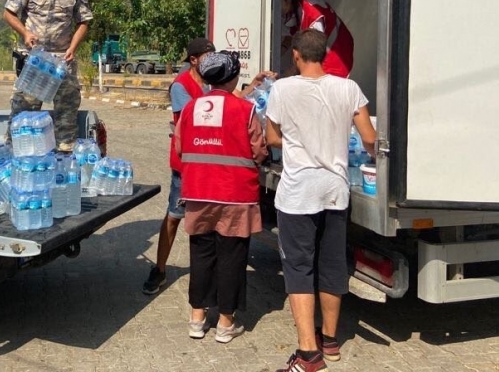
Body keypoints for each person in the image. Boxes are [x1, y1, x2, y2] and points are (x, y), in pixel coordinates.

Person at [265, 29, 376, 372]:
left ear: (296, 55)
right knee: (331, 265)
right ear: (324, 55)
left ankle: (308, 354)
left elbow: (271, 136)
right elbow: (370, 138)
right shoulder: (348, 88)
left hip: (298, 192)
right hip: (335, 190)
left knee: (299, 268)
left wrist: (301, 143)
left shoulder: (283, 88)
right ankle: (330, 341)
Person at [175, 50, 268, 343]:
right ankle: (226, 324)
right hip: (235, 195)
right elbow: (259, 151)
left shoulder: (191, 108)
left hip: (199, 191)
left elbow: (179, 146)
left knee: (201, 253)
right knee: (231, 257)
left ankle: (197, 319)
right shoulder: (245, 110)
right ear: (233, 78)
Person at [3, 0, 93, 153]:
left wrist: (73, 47)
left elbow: (84, 21)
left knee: (66, 113)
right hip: (36, 59)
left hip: (63, 59)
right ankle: (18, 156)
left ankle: (64, 156)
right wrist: (25, 32)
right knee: (25, 113)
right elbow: (9, 13)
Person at [141, 37, 215, 295]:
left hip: (208, 162)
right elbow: (194, 119)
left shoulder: (211, 83)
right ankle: (160, 269)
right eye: (207, 56)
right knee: (174, 216)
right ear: (193, 60)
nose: (212, 61)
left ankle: (206, 271)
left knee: (207, 220)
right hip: (186, 164)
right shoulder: (180, 86)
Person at [281, 0, 354, 78]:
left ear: (288, 0)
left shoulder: (312, 14)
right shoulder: (290, 11)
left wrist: (291, 71)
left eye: (277, 3)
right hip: (319, 56)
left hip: (335, 54)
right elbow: (289, 36)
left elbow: (312, 52)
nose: (274, 8)